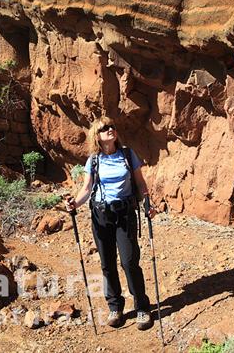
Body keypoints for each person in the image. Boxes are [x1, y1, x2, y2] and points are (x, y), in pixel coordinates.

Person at [66, 116, 157, 330]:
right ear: (96, 136)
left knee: (129, 262)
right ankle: (115, 307)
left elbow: (140, 183)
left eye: (112, 126)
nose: (110, 130)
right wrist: (75, 204)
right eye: (104, 128)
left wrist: (147, 205)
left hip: (124, 214)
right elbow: (87, 189)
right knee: (107, 264)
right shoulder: (94, 160)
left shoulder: (127, 154)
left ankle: (142, 308)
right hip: (101, 215)